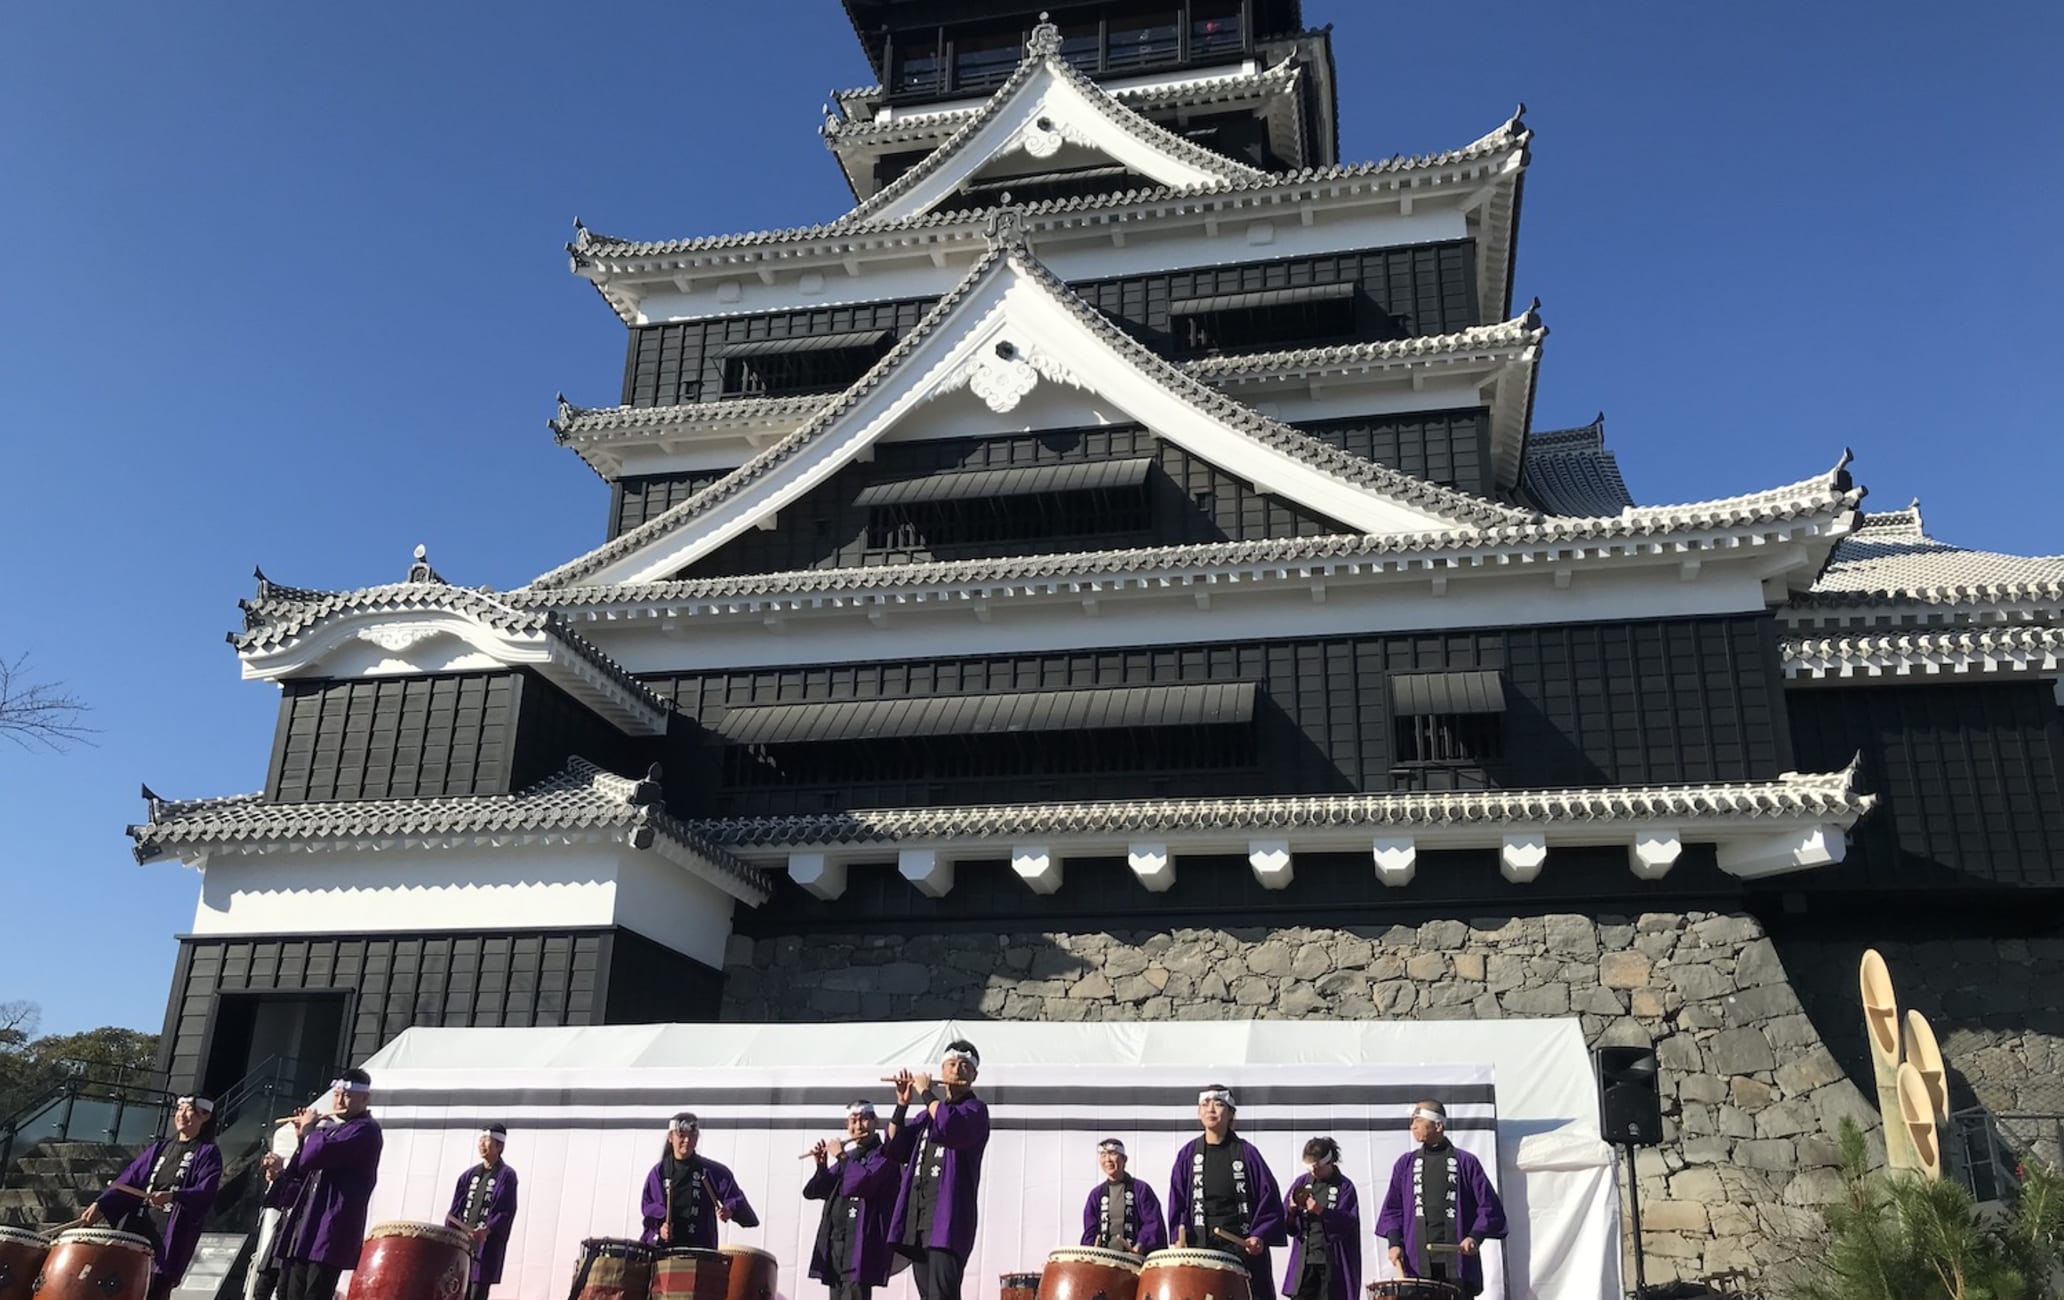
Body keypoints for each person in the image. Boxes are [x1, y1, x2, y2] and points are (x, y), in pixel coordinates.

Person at [82, 1094, 224, 1300]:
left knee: (154, 1291)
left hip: (171, 1234)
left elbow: (206, 1191)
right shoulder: (160, 1148)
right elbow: (130, 1178)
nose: (181, 1115)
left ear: (205, 1116)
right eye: (179, 1109)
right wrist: (101, 1205)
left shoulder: (208, 1153)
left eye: (189, 1110)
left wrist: (174, 1196)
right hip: (139, 1228)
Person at [263, 1068, 384, 1300]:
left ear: (365, 1098)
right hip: (308, 1224)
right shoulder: (335, 1128)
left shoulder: (365, 1130)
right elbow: (303, 1167)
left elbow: (317, 1154)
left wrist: (310, 1132)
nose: (339, 1101)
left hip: (331, 1226)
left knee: (314, 1293)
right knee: (288, 1293)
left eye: (346, 1095)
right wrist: (303, 1136)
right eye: (336, 1094)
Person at [885, 1039, 990, 1300]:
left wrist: (925, 1093)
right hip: (920, 1221)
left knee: (943, 1295)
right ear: (942, 1071)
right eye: (952, 1064)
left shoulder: (975, 1110)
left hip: (949, 1222)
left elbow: (950, 1126)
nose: (957, 1070)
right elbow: (894, 1148)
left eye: (965, 1066)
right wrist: (902, 1104)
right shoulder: (924, 1118)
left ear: (974, 1075)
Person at [1372, 1101, 1507, 1298]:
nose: (1413, 1127)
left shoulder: (1465, 1162)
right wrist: (1394, 1242)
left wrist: (1474, 1236)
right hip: (1416, 1262)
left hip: (1457, 1261)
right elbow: (1393, 1209)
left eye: (1418, 1121)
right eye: (1412, 1122)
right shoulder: (1406, 1164)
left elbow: (1488, 1206)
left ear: (1438, 1125)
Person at [1165, 1085, 1286, 1300]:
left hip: (1241, 1249)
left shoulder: (1246, 1153)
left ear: (1231, 1113)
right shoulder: (1188, 1155)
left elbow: (1269, 1198)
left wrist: (1259, 1234)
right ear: (1199, 1112)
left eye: (1219, 1104)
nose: (1211, 1109)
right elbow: (1179, 1201)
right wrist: (1178, 1235)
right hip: (1201, 1250)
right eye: (1205, 1104)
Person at [805, 1101, 903, 1300]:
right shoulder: (849, 1157)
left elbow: (865, 1182)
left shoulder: (885, 1155)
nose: (858, 1127)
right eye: (853, 1121)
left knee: (856, 1293)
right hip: (837, 1242)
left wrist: (841, 1156)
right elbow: (813, 1191)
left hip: (862, 1242)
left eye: (864, 1120)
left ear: (876, 1122)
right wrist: (822, 1166)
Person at [640, 1113, 759, 1247]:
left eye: (692, 1136)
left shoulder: (711, 1171)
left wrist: (730, 1210)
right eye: (681, 1135)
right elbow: (650, 1211)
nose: (687, 1140)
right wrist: (660, 1229)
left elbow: (740, 1206)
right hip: (665, 1253)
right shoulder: (659, 1173)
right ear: (670, 1137)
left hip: (701, 1253)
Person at [447, 1123, 519, 1300]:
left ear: (500, 1147)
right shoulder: (468, 1176)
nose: (482, 1144)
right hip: (463, 1243)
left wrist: (486, 1230)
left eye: (488, 1140)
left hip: (485, 1245)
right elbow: (454, 1212)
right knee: (457, 1290)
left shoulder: (506, 1175)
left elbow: (505, 1210)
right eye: (481, 1140)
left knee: (477, 1292)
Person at [1282, 1137, 1360, 1300]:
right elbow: (1288, 1226)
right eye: (1309, 1167)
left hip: (1331, 1262)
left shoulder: (1344, 1186)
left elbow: (1348, 1222)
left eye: (1317, 1167)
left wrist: (1321, 1211)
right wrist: (1291, 1211)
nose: (1313, 1172)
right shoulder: (1301, 1182)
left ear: (1329, 1162)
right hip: (1305, 1262)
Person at [1079, 1138, 1166, 1255]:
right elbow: (1090, 1230)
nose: (1107, 1160)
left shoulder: (1141, 1189)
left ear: (1124, 1159)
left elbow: (1153, 1223)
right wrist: (1090, 1250)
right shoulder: (1096, 1194)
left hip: (1134, 1259)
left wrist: (1141, 1244)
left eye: (1112, 1154)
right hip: (1104, 1260)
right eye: (1103, 1155)